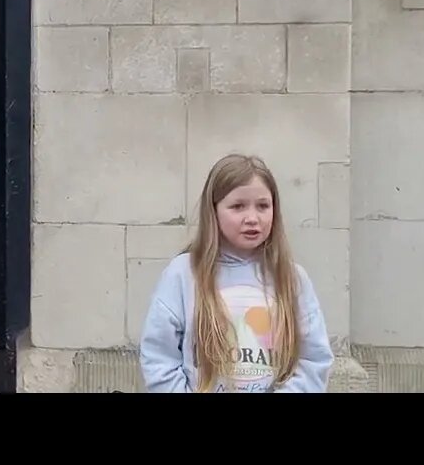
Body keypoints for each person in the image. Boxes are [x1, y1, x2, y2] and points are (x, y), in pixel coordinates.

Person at [138, 154, 334, 393]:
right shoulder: (183, 274)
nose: (252, 218)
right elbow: (159, 358)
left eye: (263, 206)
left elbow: (313, 361)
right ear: (214, 211)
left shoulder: (292, 278)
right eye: (238, 206)